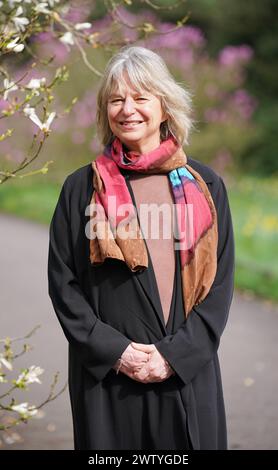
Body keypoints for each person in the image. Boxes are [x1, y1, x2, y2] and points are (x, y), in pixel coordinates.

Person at [48, 45, 235, 450]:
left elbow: (220, 286)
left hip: (187, 370)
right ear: (105, 111)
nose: (127, 109)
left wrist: (174, 356)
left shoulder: (205, 185)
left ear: (165, 107)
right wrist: (116, 352)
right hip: (108, 379)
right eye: (115, 99)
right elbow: (63, 285)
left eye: (139, 97)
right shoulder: (81, 188)